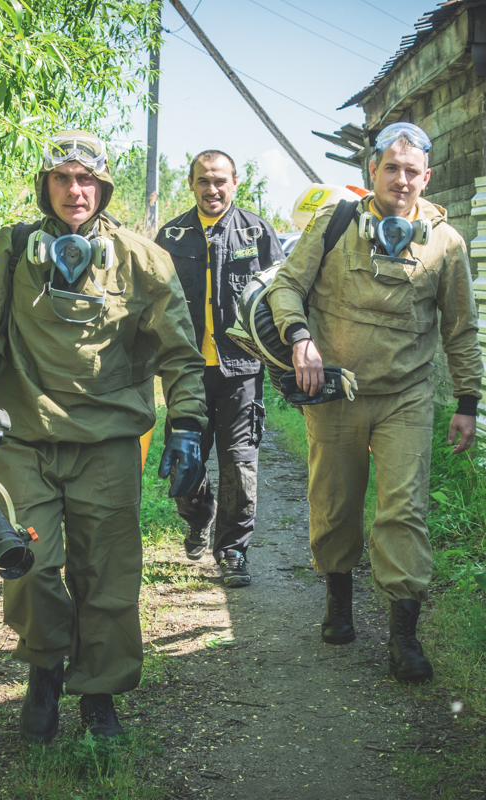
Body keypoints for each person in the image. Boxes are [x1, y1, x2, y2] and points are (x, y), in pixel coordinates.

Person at [0, 130, 208, 741]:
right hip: (22, 439)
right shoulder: (13, 250)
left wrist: (189, 423)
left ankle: (99, 696)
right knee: (32, 566)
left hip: (109, 444)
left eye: (86, 179)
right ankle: (43, 672)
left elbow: (180, 352)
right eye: (62, 178)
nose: (75, 190)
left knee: (108, 573)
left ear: (104, 187)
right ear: (46, 187)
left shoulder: (143, 259)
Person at [265, 121, 484, 683]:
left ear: (426, 177)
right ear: (373, 172)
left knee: (403, 509)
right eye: (392, 168)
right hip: (335, 392)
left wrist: (468, 400)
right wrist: (299, 338)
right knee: (336, 504)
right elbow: (286, 285)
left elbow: (461, 328)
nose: (402, 180)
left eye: (412, 171)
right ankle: (339, 600)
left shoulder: (446, 243)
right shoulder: (335, 223)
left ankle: (403, 637)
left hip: (406, 397)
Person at [156, 150, 285, 588]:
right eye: (203, 181)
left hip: (241, 369)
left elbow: (281, 294)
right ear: (190, 184)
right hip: (186, 369)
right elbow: (150, 303)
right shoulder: (170, 236)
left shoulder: (256, 231)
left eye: (220, 181)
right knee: (186, 462)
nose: (212, 189)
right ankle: (197, 519)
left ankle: (232, 551)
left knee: (239, 463)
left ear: (235, 183)